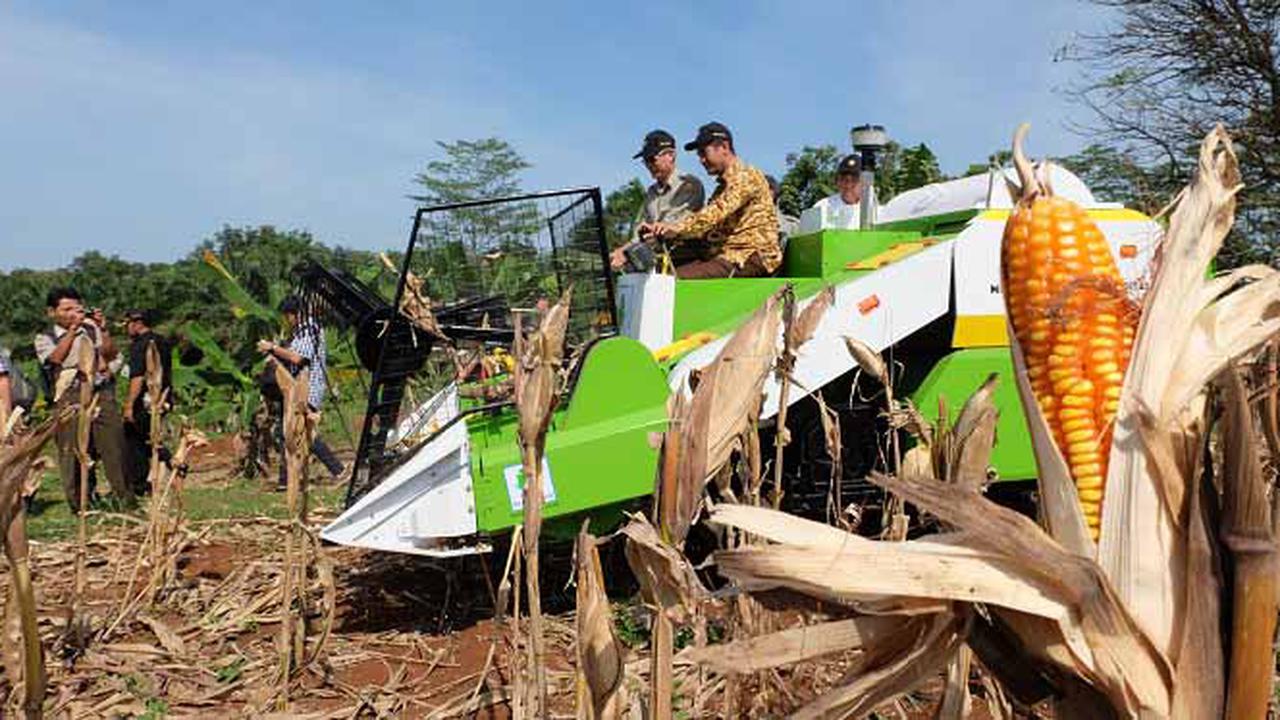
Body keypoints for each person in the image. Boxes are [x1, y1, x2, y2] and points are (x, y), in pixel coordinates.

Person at [34, 287, 134, 511]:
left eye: (77, 309)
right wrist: (72, 331)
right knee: (72, 450)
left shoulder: (91, 329)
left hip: (100, 391)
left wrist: (102, 328)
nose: (73, 313)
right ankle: (80, 504)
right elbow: (55, 359)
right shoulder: (44, 337)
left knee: (114, 446)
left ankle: (125, 499)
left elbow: (109, 354)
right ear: (52, 312)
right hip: (69, 394)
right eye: (66, 309)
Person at [639, 122, 781, 279]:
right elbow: (707, 232)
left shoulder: (746, 176)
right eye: (699, 155)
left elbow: (714, 214)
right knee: (662, 272)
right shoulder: (721, 189)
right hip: (726, 255)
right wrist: (662, 235)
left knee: (674, 280)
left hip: (748, 256)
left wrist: (675, 228)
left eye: (703, 153)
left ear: (724, 147)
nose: (701, 160)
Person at [257, 295, 345, 486]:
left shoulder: (310, 330)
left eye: (287, 316)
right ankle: (285, 480)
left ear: (293, 315)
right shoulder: (301, 332)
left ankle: (338, 470)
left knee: (303, 432)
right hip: (294, 389)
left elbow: (298, 358)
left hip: (306, 389)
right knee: (286, 431)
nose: (287, 321)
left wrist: (272, 348)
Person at [609, 129, 705, 271]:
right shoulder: (651, 193)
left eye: (652, 159)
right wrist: (620, 252)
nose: (649, 165)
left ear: (671, 155)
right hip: (658, 260)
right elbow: (640, 235)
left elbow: (671, 228)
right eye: (645, 161)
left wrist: (627, 252)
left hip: (683, 259)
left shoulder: (689, 185)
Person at [122, 309, 172, 495]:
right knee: (150, 436)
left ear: (137, 323)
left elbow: (138, 377)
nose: (127, 329)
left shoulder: (140, 345)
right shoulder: (162, 341)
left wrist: (128, 405)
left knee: (135, 439)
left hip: (144, 401)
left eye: (128, 324)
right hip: (162, 398)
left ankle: (141, 482)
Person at [798, 154, 866, 234]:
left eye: (854, 180)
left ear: (863, 183)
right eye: (844, 180)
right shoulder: (821, 207)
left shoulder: (872, 210)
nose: (848, 185)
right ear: (837, 182)